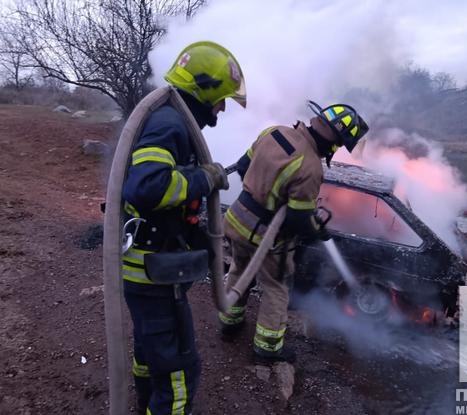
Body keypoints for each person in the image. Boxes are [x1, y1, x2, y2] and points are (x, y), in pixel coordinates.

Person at [121, 41, 246, 415]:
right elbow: (147, 187)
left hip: (150, 268)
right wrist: (203, 179)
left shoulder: (170, 118)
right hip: (154, 274)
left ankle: (145, 402)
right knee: (179, 374)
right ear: (204, 89)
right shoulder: (169, 123)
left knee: (150, 352)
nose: (222, 108)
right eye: (221, 98)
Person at [219, 100, 369, 362]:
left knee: (239, 271)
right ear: (333, 142)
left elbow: (243, 167)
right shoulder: (310, 166)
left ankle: (229, 322)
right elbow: (298, 218)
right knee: (276, 287)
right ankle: (267, 348)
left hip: (235, 220)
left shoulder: (274, 132)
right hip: (263, 236)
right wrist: (318, 231)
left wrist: (265, 190)